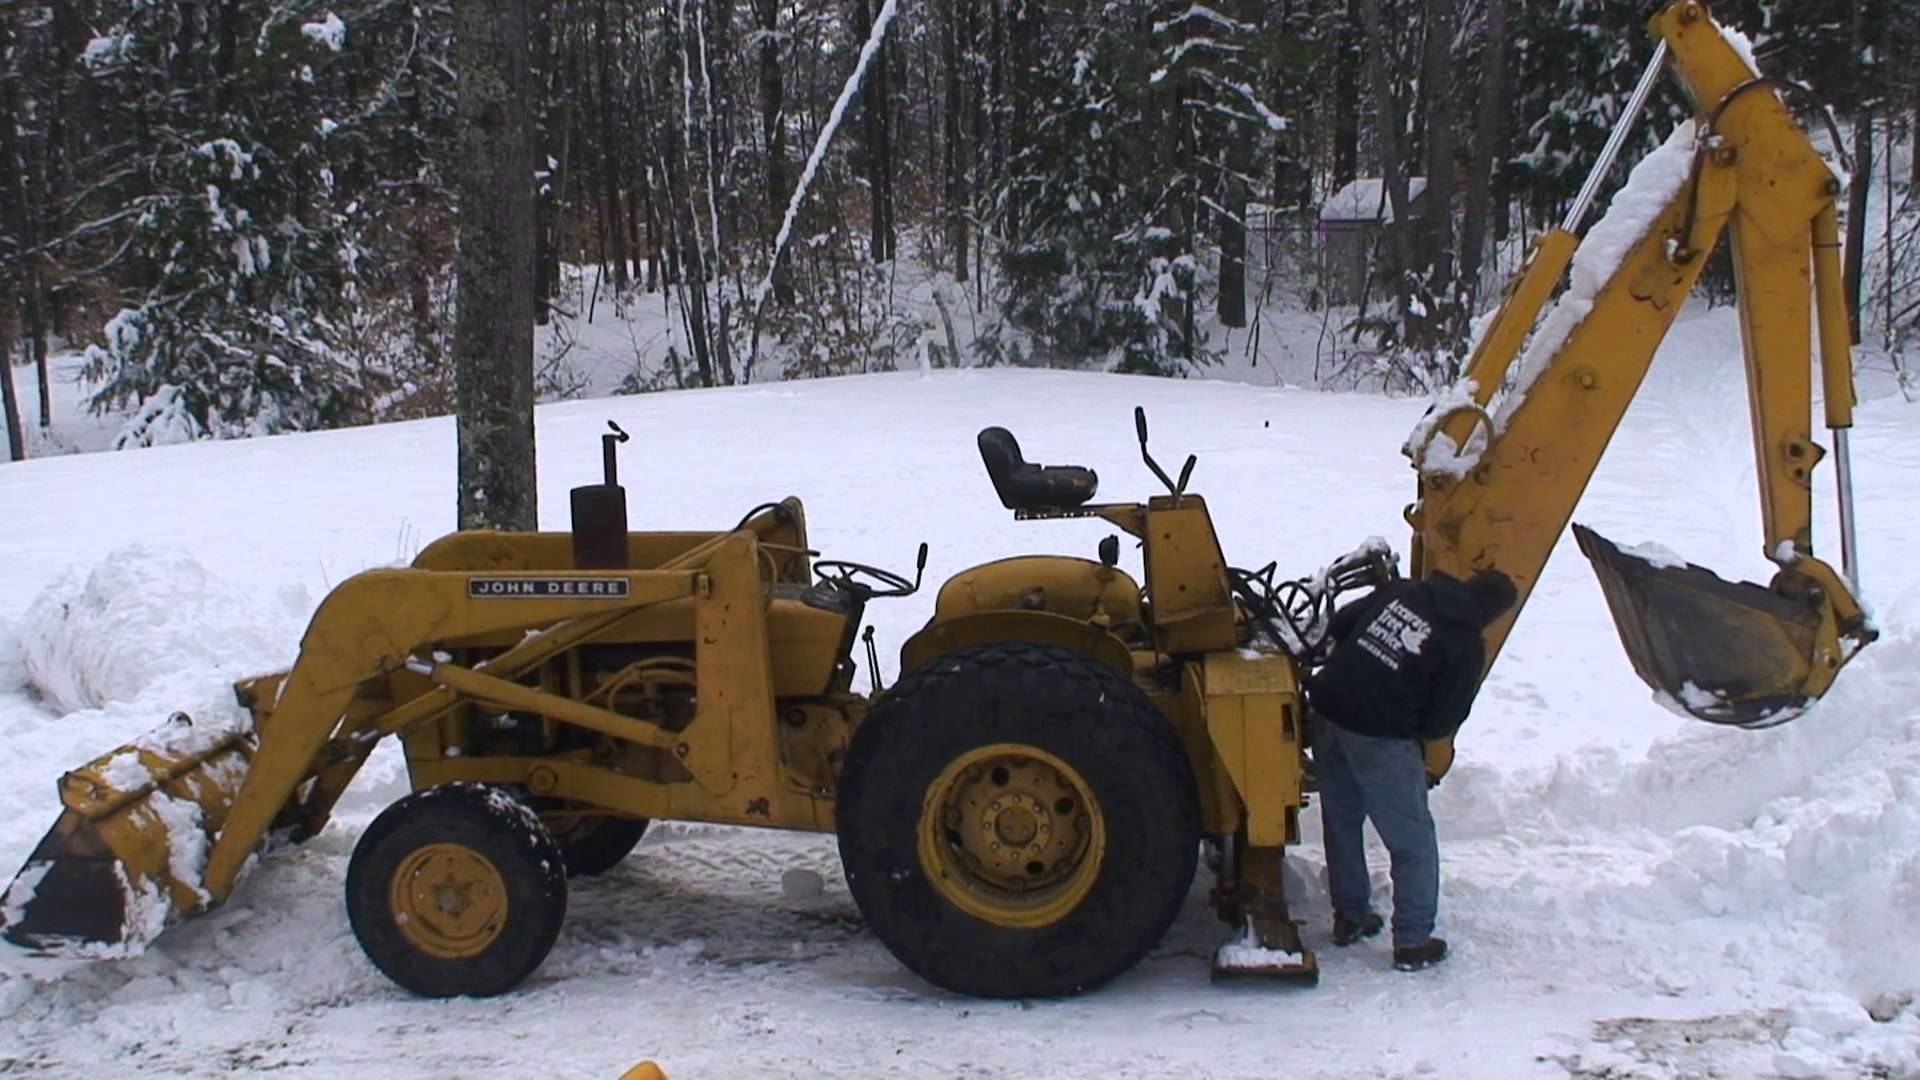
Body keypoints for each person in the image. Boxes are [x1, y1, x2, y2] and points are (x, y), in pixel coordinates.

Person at [1304, 567, 1518, 972]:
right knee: (1413, 842)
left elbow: (1343, 621)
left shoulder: (1406, 590)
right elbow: (1443, 720)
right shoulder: (1463, 644)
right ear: (1490, 613)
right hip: (1378, 735)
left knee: (1342, 820)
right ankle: (1413, 941)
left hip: (1329, 709)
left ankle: (1350, 916)